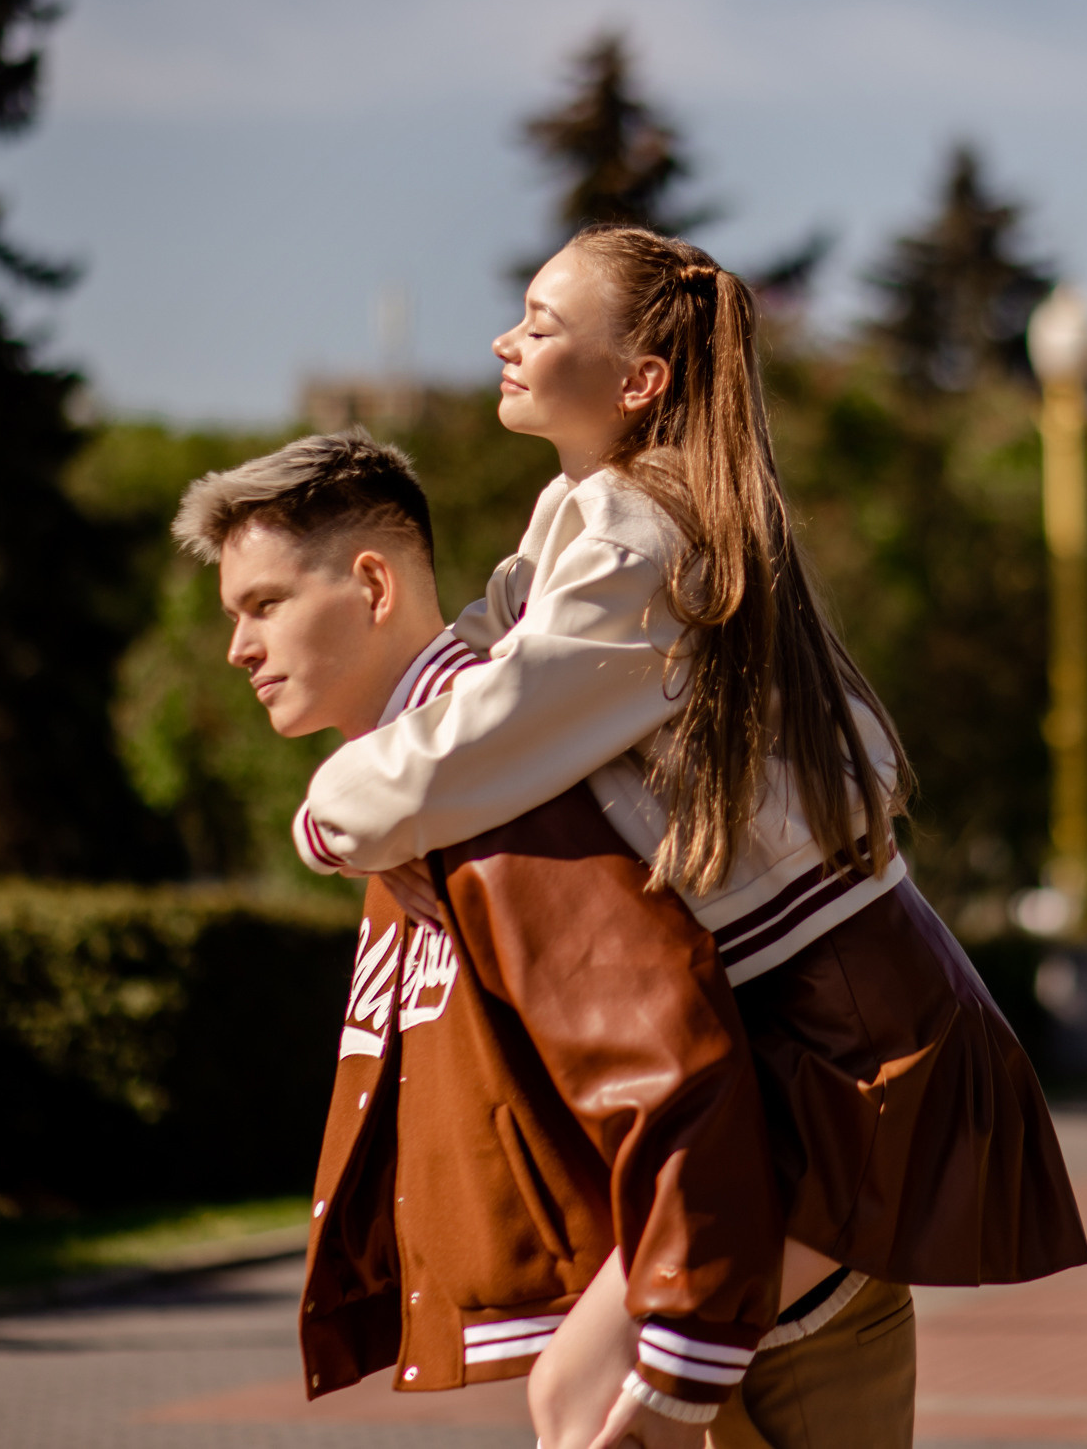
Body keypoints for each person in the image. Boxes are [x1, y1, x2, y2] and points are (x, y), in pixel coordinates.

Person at [297, 225, 1087, 1449]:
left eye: (543, 323)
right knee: (624, 1395)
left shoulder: (638, 537)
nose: (506, 341)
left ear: (641, 380)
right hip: (816, 1034)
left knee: (593, 1397)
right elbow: (473, 659)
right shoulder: (582, 515)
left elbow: (494, 727)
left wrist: (336, 805)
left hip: (851, 1046)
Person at [170, 435, 785, 1433]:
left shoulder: (489, 783)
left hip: (700, 1330)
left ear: (373, 586)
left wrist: (670, 1359)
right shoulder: (404, 800)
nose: (239, 647)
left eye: (265, 605)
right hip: (672, 1305)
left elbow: (668, 1061)